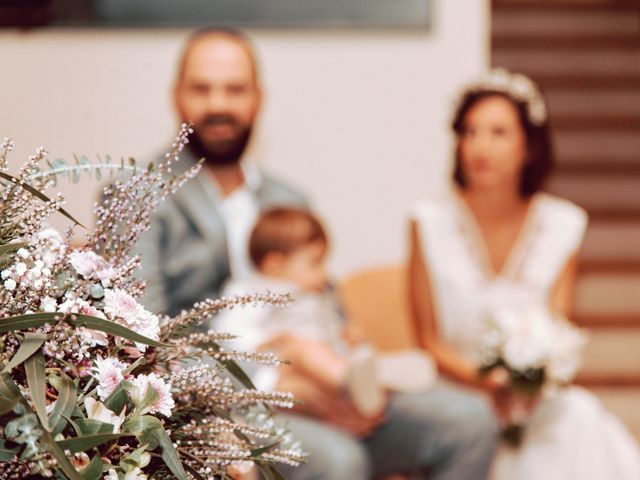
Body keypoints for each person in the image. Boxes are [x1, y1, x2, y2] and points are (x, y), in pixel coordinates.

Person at [408, 68, 640, 480]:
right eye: (470, 132)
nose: (480, 147)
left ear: (529, 146)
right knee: (473, 429)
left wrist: (529, 383)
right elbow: (429, 339)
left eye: (498, 133)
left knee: (580, 416)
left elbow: (557, 328)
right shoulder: (427, 222)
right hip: (460, 396)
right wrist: (490, 384)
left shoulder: (563, 223)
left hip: (531, 399)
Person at [216, 206, 499, 480]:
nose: (324, 273)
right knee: (304, 350)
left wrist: (350, 339)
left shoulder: (319, 295)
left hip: (333, 371)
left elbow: (334, 331)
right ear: (274, 264)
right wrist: (270, 353)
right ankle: (354, 382)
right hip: (287, 377)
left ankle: (367, 383)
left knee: (472, 418)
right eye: (315, 263)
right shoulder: (250, 292)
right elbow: (230, 339)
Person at [136, 29, 307, 316]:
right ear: (176, 96)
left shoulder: (291, 202)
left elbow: (328, 312)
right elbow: (140, 336)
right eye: (201, 89)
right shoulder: (136, 195)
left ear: (257, 99)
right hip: (194, 360)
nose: (218, 105)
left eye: (235, 90)